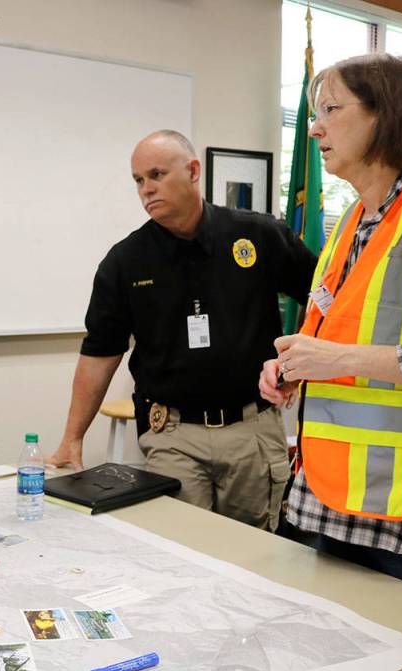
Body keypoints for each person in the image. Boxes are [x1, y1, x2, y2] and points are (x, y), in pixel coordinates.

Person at [259, 54, 402, 586]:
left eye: (331, 109)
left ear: (382, 116)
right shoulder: (346, 225)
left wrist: (334, 359)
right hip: (324, 497)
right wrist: (292, 370)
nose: (314, 126)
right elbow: (334, 336)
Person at [46, 130, 317, 531]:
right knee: (181, 549)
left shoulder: (258, 235)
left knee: (253, 556)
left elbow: (325, 299)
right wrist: (72, 436)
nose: (146, 189)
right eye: (138, 180)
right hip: (173, 434)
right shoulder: (126, 262)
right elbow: (100, 353)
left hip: (252, 431)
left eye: (156, 174)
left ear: (192, 171)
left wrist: (297, 364)